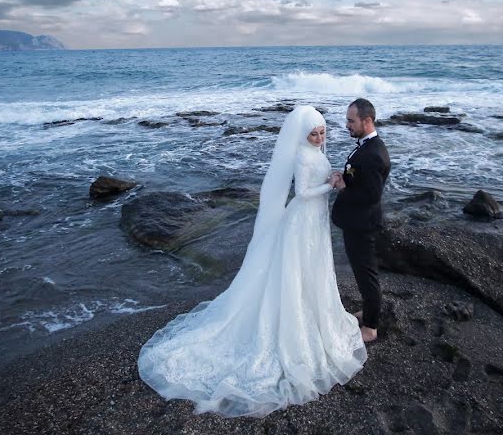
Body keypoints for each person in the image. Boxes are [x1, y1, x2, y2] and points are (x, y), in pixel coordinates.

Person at [137, 106, 366, 418]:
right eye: (313, 133)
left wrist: (332, 177)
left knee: (313, 270)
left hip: (315, 222)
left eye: (322, 132)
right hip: (301, 221)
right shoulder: (301, 155)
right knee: (295, 272)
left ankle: (314, 313)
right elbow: (301, 193)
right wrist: (332, 185)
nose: (318, 137)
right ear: (301, 134)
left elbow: (318, 179)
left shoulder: (316, 150)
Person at [331, 98, 391, 344]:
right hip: (357, 222)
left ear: (367, 121)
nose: (346, 124)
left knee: (366, 275)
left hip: (362, 225)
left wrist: (344, 187)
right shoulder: (366, 146)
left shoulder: (374, 154)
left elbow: (371, 195)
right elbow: (361, 179)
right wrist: (344, 176)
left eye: (350, 120)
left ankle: (371, 328)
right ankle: (368, 313)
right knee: (361, 272)